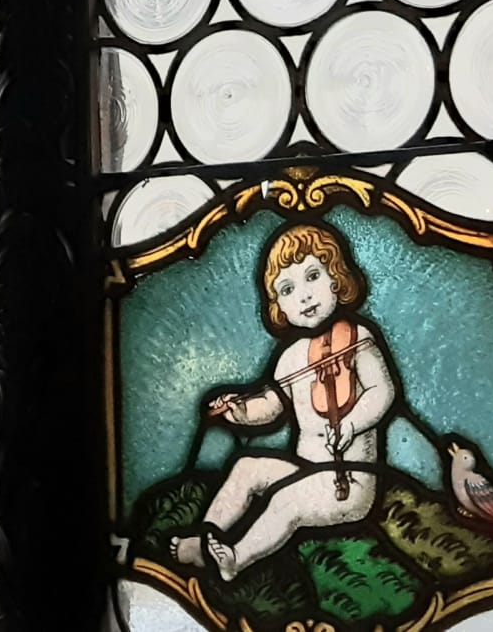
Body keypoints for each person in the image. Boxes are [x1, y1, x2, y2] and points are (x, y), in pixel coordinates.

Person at [170, 221, 397, 581]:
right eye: (288, 289)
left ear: (336, 278)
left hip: (348, 483)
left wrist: (352, 424)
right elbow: (273, 405)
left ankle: (236, 559)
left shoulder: (358, 338)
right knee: (247, 467)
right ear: (279, 306)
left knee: (287, 499)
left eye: (313, 276)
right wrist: (241, 411)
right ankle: (204, 539)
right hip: (307, 469)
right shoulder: (291, 358)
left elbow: (382, 392)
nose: (304, 296)